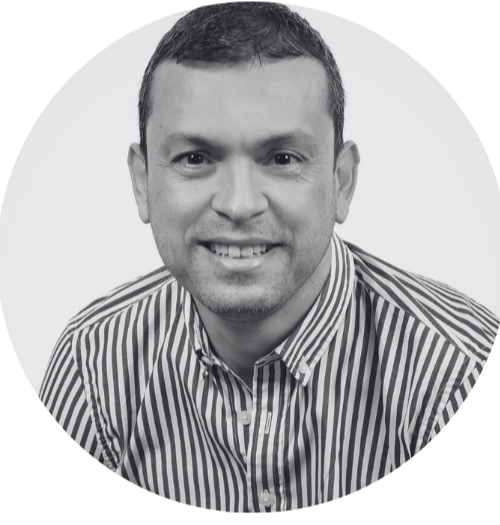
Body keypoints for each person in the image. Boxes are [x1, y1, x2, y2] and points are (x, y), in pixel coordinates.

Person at [40, 2, 499, 513]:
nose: (239, 205)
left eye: (282, 159)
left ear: (341, 182)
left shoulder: (463, 374)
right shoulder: (92, 368)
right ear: (143, 182)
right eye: (195, 158)